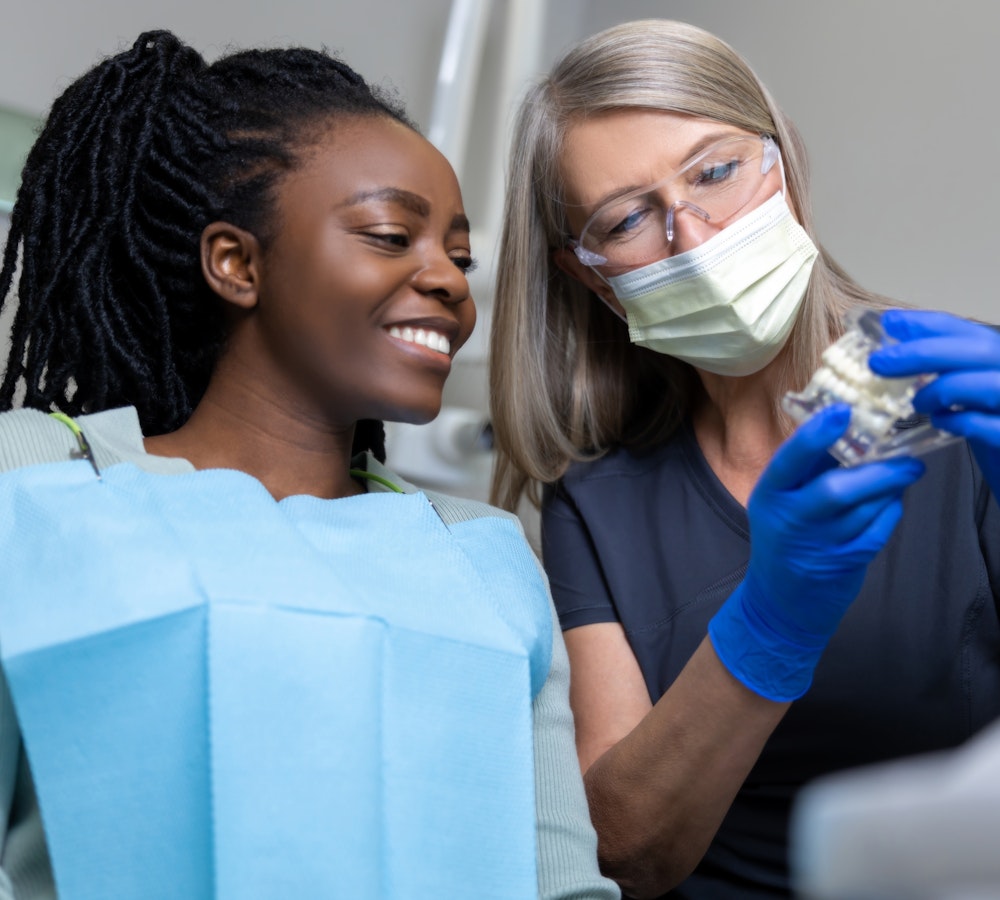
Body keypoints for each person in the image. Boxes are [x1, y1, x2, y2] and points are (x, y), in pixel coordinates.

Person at [0, 31, 620, 900]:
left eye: (459, 255)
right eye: (389, 234)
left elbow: (561, 881)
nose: (446, 279)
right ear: (236, 263)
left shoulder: (484, 552)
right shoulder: (33, 475)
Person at [488, 18, 1000, 899]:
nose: (693, 238)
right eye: (627, 218)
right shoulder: (593, 497)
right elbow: (622, 853)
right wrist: (770, 622)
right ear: (594, 277)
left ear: (785, 165)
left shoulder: (969, 400)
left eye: (715, 172)